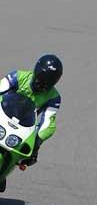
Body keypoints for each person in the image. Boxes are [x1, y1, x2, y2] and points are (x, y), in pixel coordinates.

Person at [0, 54, 63, 192]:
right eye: (41, 78)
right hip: (2, 114)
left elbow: (48, 122)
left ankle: (2, 174)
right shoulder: (18, 76)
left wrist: (37, 143)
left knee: (26, 156)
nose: (43, 84)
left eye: (48, 82)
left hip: (24, 127)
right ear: (36, 71)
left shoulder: (54, 97)